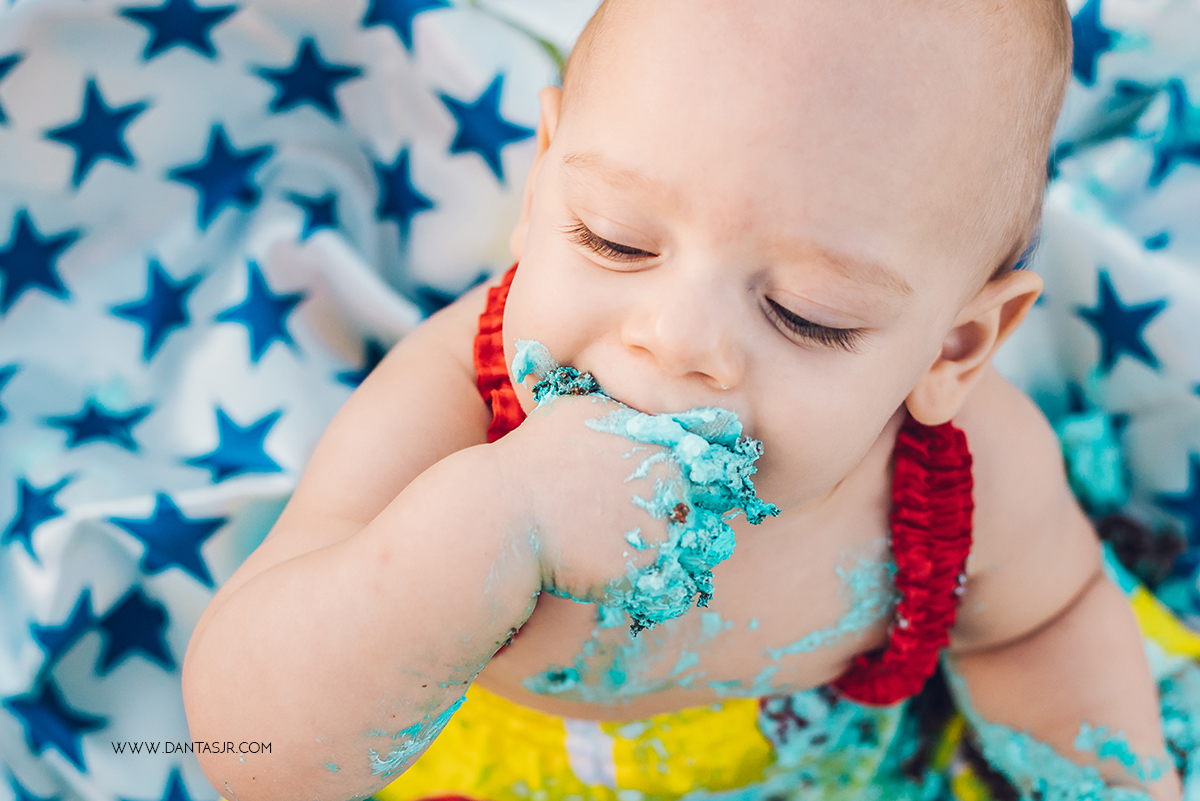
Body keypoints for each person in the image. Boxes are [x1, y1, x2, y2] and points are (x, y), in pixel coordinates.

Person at [180, 1, 1187, 799]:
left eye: (806, 313)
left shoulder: (963, 483)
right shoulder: (452, 410)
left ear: (953, 348)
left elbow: (1039, 629)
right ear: (539, 188)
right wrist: (488, 526)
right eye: (615, 238)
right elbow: (258, 753)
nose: (677, 341)